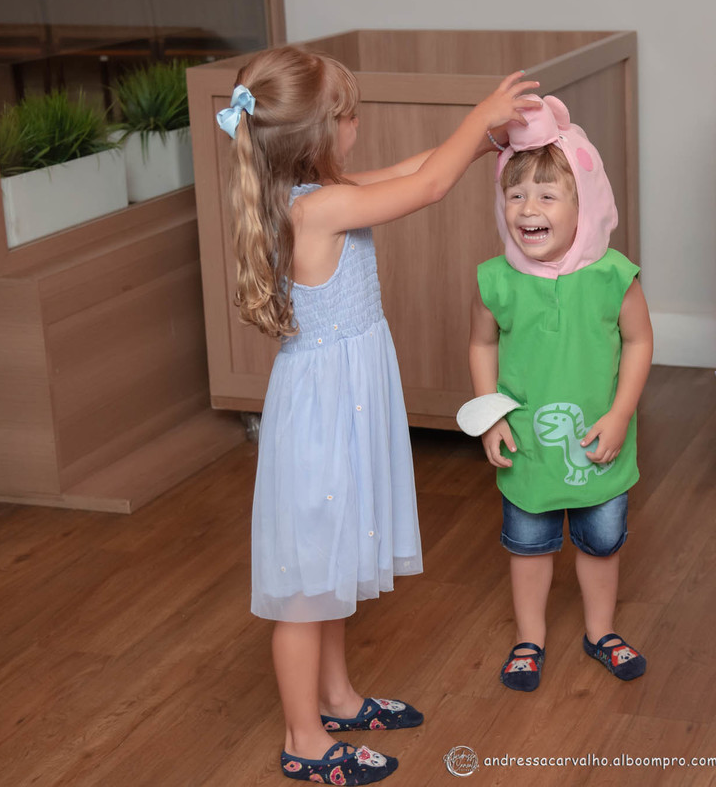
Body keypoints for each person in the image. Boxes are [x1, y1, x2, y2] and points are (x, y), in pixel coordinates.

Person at [222, 45, 538, 784]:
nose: (357, 126)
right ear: (317, 134)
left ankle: (336, 699)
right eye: (349, 116)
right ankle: (304, 739)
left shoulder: (317, 192)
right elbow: (427, 186)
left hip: (344, 402)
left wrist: (484, 142)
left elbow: (413, 169)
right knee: (305, 590)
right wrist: (479, 116)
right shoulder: (320, 208)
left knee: (330, 566)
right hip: (322, 414)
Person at [467, 96, 653, 692]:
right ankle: (530, 639)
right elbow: (482, 346)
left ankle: (601, 632)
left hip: (601, 442)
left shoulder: (613, 276)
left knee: (601, 544)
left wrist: (621, 413)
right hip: (527, 447)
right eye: (516, 195)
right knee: (529, 547)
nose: (529, 209)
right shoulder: (496, 280)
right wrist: (490, 416)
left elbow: (639, 342)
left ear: (585, 206)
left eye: (548, 196)